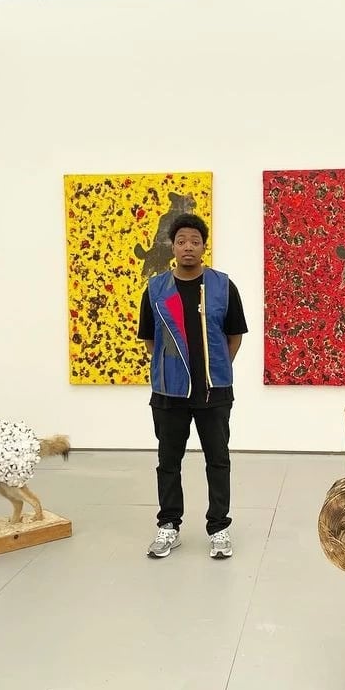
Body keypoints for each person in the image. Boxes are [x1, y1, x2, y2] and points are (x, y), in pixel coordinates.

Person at [137, 213, 248, 559]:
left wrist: (215, 370)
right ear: (173, 246)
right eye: (182, 240)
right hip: (169, 393)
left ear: (203, 246)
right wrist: (174, 370)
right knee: (168, 461)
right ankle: (169, 525)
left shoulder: (222, 286)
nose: (188, 247)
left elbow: (234, 335)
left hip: (214, 393)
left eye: (195, 241)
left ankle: (219, 528)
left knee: (218, 460)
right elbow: (150, 340)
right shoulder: (156, 289)